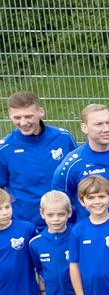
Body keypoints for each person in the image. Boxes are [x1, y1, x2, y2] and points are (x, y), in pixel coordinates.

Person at [0, 91, 78, 225]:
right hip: (26, 224)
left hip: (65, 222)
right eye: (17, 117)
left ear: (40, 112)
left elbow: (78, 175)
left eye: (28, 116)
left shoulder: (63, 138)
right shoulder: (4, 149)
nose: (23, 122)